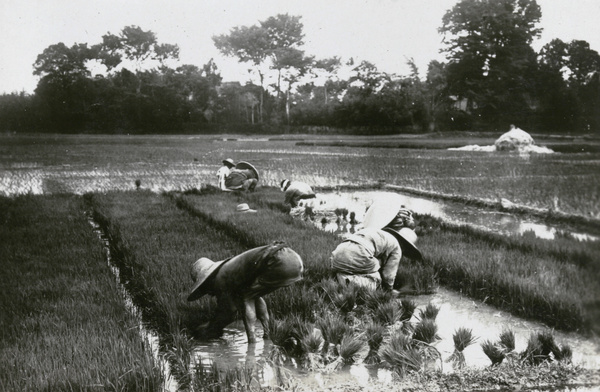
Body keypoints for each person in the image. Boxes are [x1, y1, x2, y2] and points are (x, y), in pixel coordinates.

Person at [187, 242, 304, 343]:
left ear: (207, 281)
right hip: (294, 260)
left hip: (279, 262)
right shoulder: (229, 268)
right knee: (254, 295)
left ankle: (251, 341)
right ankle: (268, 334)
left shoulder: (220, 279)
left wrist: (211, 327)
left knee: (246, 297)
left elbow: (229, 310)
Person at [330, 207, 421, 292]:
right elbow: (388, 275)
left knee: (373, 262)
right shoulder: (396, 247)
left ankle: (340, 280)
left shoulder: (374, 231)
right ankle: (354, 287)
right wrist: (389, 290)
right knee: (377, 280)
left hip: (337, 253)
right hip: (360, 253)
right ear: (403, 243)